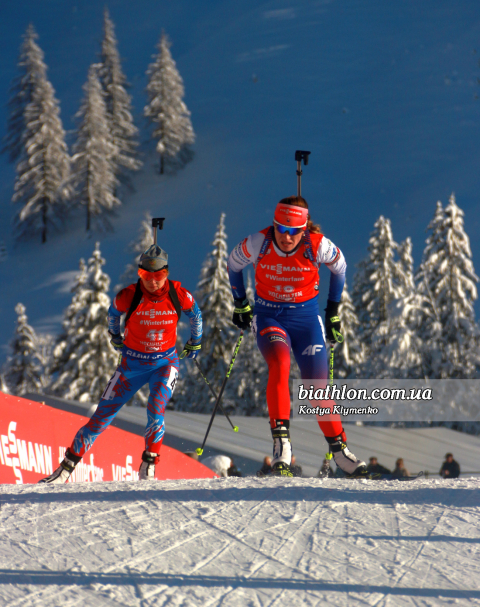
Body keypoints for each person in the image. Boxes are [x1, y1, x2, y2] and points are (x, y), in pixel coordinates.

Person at [227, 195, 367, 478]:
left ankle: (340, 451)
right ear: (274, 224)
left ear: (304, 230)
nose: (286, 236)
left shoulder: (317, 245)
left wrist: (333, 312)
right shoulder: (258, 243)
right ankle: (282, 444)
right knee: (279, 363)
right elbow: (233, 264)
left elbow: (340, 268)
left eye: (293, 231)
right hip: (270, 318)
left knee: (317, 387)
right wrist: (240, 302)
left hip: (306, 321)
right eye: (281, 228)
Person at [40, 244, 202, 484]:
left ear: (166, 273)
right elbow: (113, 314)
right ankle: (64, 470)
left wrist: (195, 342)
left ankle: (149, 467)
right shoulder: (129, 295)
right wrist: (115, 337)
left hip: (165, 364)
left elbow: (196, 314)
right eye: (146, 276)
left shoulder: (178, 294)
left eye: (158, 276)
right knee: (100, 418)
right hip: (132, 366)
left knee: (156, 409)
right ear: (140, 274)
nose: (153, 282)